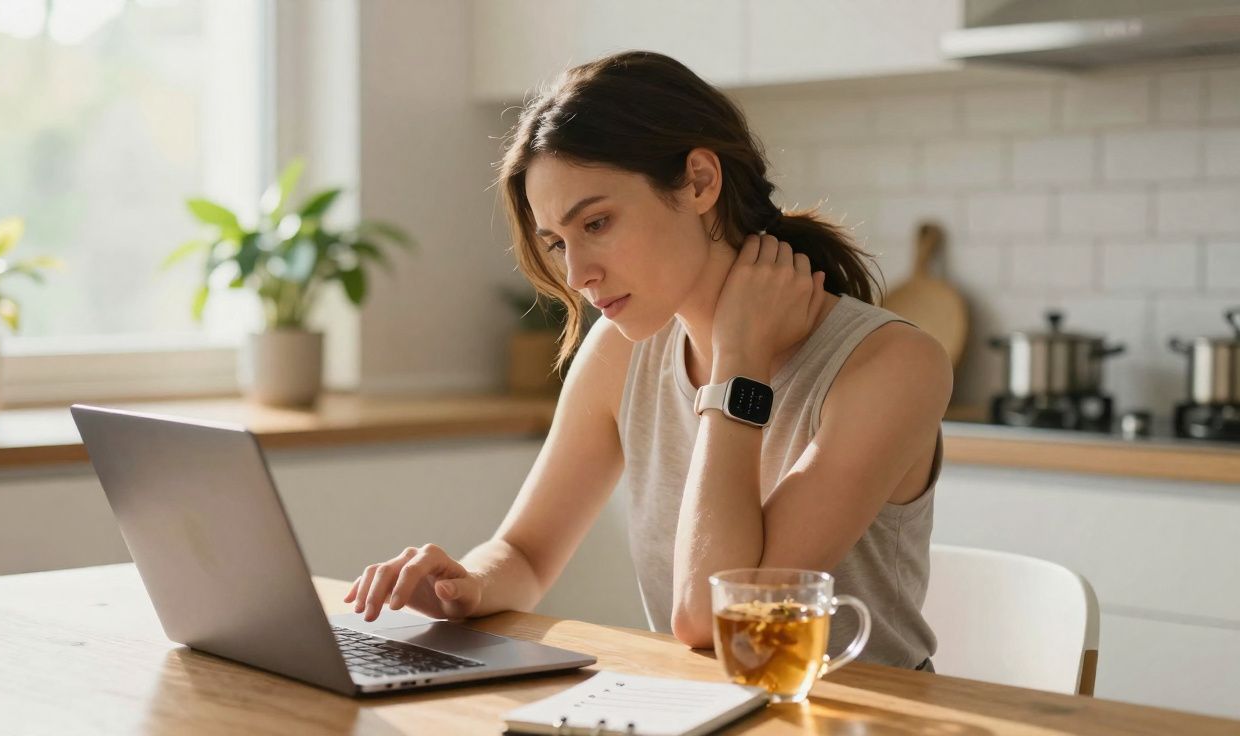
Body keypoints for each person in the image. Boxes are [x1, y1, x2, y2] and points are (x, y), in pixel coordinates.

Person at [343, 50, 952, 671]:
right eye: (559, 243)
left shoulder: (893, 364)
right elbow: (525, 553)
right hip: (701, 709)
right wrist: (465, 584)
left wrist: (739, 363)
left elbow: (721, 625)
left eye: (598, 222)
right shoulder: (619, 351)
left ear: (698, 182)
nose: (578, 274)